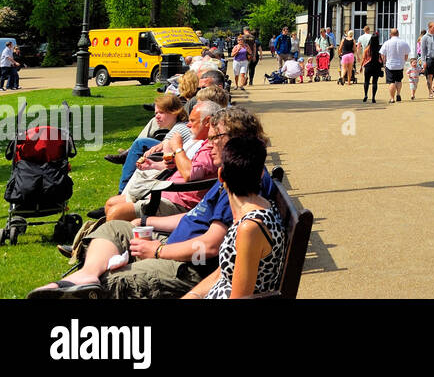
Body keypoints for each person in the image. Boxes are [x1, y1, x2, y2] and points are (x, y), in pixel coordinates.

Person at [30, 106, 273, 299]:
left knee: (112, 279)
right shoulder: (235, 176)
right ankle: (86, 276)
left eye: (214, 138)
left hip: (188, 265)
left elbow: (209, 248)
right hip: (177, 248)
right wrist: (147, 220)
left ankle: (86, 293)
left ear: (237, 138)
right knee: (114, 227)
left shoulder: (241, 183)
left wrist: (157, 251)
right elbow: (194, 215)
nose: (206, 145)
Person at [183, 136, 287, 299]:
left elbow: (240, 297)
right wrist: (193, 295)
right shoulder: (255, 210)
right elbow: (223, 273)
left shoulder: (250, 227)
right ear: (260, 174)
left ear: (220, 176)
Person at [419, 22, 434, 96]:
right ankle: (430, 92)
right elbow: (423, 50)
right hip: (429, 59)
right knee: (429, 76)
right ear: (429, 28)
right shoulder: (424, 37)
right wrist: (423, 61)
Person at [360, 26, 383, 103]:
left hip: (368, 66)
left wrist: (361, 66)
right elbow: (381, 58)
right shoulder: (379, 48)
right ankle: (373, 97)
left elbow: (364, 58)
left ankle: (365, 95)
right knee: (375, 82)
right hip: (376, 66)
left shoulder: (367, 49)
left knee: (366, 81)